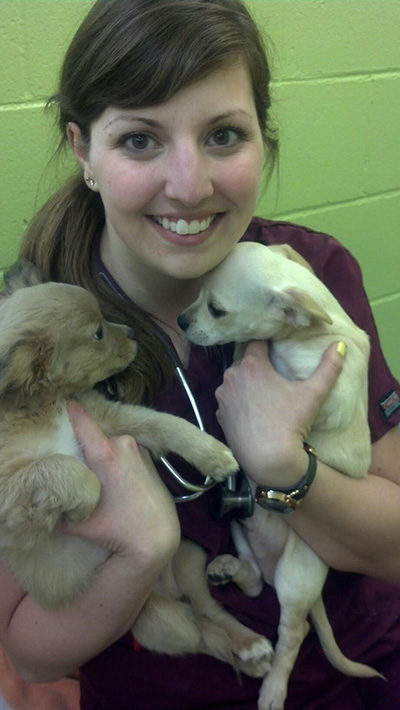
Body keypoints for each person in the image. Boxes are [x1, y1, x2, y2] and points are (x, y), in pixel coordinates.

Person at [1, 0, 400, 708]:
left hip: (362, 665)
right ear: (81, 150)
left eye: (223, 135)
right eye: (139, 140)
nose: (189, 185)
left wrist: (286, 467)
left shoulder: (304, 275)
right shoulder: (33, 344)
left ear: (262, 141)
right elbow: (28, 654)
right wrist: (143, 552)